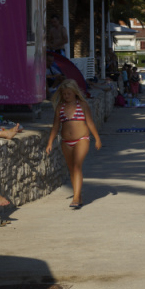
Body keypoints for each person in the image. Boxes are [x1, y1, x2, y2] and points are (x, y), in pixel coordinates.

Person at [46, 79, 102, 208]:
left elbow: (90, 122)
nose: (66, 96)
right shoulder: (60, 107)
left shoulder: (82, 105)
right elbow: (55, 126)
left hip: (82, 139)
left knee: (77, 166)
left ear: (75, 93)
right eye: (64, 94)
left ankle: (76, 197)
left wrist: (97, 138)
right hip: (66, 141)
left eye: (68, 94)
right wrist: (50, 142)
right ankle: (78, 195)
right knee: (71, 169)